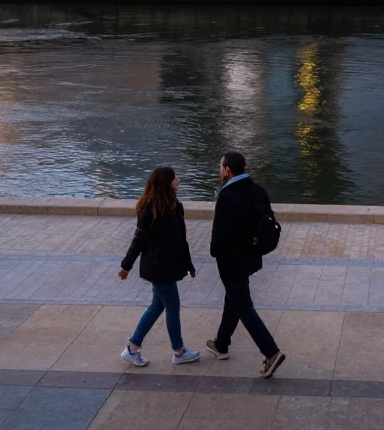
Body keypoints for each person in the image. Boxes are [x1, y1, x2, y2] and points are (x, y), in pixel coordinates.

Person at [206, 151, 285, 379]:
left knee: (243, 305)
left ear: (228, 170)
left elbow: (219, 234)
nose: (220, 170)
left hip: (231, 260)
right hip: (251, 256)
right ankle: (221, 344)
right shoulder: (258, 190)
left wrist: (214, 253)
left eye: (221, 166)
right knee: (234, 297)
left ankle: (271, 352)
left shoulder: (227, 195)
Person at [118, 166, 200, 367]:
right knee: (172, 308)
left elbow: (182, 240)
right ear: (166, 184)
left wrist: (189, 264)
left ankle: (132, 347)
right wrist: (126, 266)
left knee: (157, 306)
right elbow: (139, 240)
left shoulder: (175, 206)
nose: (178, 181)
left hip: (167, 266)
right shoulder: (150, 210)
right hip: (159, 267)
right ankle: (179, 351)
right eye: (175, 179)